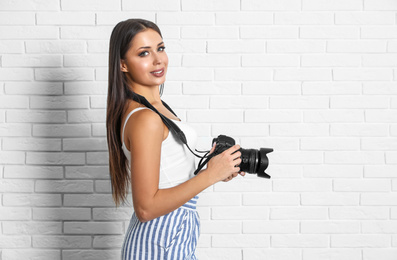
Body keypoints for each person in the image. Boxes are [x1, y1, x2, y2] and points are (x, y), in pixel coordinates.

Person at [106, 19, 244, 260]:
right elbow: (146, 208)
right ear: (123, 65)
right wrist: (209, 175)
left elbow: (171, 176)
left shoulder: (155, 108)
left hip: (169, 237)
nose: (158, 60)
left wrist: (217, 170)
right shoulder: (145, 117)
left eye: (160, 48)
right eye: (144, 53)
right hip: (160, 240)